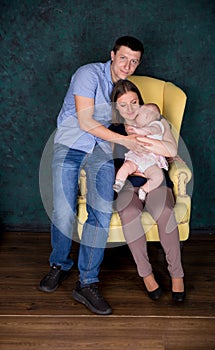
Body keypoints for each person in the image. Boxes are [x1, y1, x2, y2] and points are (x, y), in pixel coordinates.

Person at [39, 36, 146, 315]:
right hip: (71, 145)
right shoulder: (88, 74)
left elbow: (132, 121)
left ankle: (87, 282)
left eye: (134, 61)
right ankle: (59, 265)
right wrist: (126, 143)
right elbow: (85, 121)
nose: (128, 65)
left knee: (100, 211)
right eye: (124, 57)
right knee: (64, 210)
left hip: (100, 149)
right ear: (112, 55)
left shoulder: (125, 89)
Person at [110, 80, 185, 302]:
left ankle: (177, 275)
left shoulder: (158, 122)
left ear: (141, 102)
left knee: (165, 213)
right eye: (123, 105)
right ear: (116, 108)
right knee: (130, 214)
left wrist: (145, 142)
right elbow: (108, 160)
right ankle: (146, 274)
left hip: (156, 180)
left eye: (134, 102)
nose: (130, 109)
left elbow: (170, 149)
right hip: (127, 183)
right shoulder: (113, 130)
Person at [113, 103, 169, 201]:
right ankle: (118, 183)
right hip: (136, 156)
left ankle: (144, 189)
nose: (135, 116)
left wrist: (137, 130)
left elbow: (149, 130)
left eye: (138, 115)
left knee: (158, 176)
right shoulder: (136, 125)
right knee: (126, 167)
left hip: (151, 160)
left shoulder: (157, 125)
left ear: (147, 116)